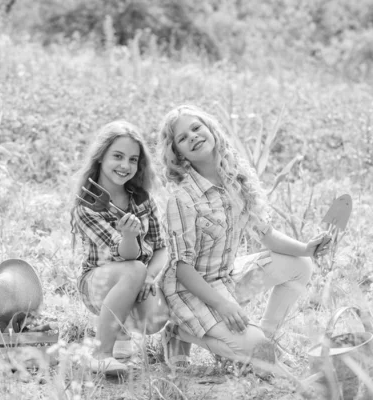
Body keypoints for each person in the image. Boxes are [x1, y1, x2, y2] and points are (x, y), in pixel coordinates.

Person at [158, 105, 330, 376]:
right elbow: (182, 268)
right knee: (262, 358)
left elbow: (267, 234)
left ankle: (264, 338)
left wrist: (307, 249)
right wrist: (223, 305)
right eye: (182, 138)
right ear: (178, 154)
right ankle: (180, 330)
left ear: (211, 130)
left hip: (226, 278)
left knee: (301, 265)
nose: (192, 136)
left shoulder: (234, 179)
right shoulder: (183, 198)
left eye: (196, 128)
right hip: (189, 291)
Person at [71, 120, 169, 375]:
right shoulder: (87, 208)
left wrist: (149, 276)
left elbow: (162, 248)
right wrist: (128, 236)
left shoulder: (142, 200)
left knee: (156, 318)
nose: (125, 165)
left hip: (136, 279)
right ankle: (101, 353)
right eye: (118, 156)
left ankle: (122, 331)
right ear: (101, 156)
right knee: (134, 267)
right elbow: (128, 255)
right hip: (97, 284)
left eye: (133, 159)